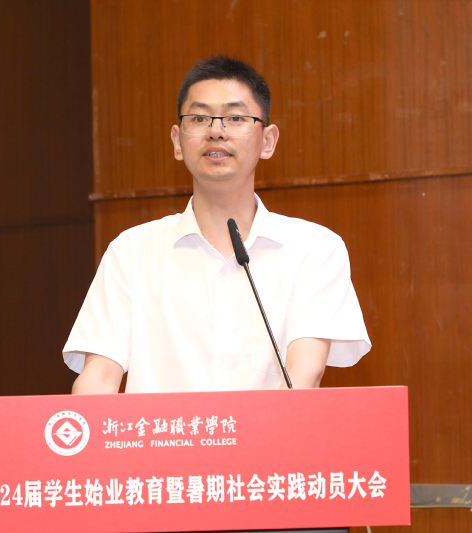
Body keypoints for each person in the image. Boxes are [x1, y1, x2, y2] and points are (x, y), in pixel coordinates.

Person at [64, 56, 370, 394]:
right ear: (177, 141)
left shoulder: (314, 248)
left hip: (269, 431)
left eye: (235, 118)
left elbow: (304, 374)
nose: (216, 131)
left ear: (267, 141)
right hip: (164, 431)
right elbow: (98, 377)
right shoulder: (132, 251)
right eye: (199, 118)